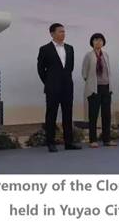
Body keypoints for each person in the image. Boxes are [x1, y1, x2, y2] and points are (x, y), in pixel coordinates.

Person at [37, 23, 81, 152]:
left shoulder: (70, 48)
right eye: (60, 31)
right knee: (51, 115)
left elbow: (70, 68)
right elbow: (40, 69)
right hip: (52, 88)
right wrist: (49, 83)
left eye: (64, 31)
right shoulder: (45, 49)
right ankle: (50, 142)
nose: (63, 33)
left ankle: (69, 142)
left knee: (68, 115)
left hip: (67, 86)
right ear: (52, 33)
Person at [81, 33, 117, 148]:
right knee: (93, 116)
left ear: (103, 42)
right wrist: (91, 83)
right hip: (94, 89)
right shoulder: (89, 55)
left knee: (107, 115)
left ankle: (107, 139)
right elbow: (84, 73)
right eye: (95, 40)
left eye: (100, 40)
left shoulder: (106, 55)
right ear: (92, 42)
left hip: (106, 88)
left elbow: (108, 71)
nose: (98, 42)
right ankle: (93, 140)